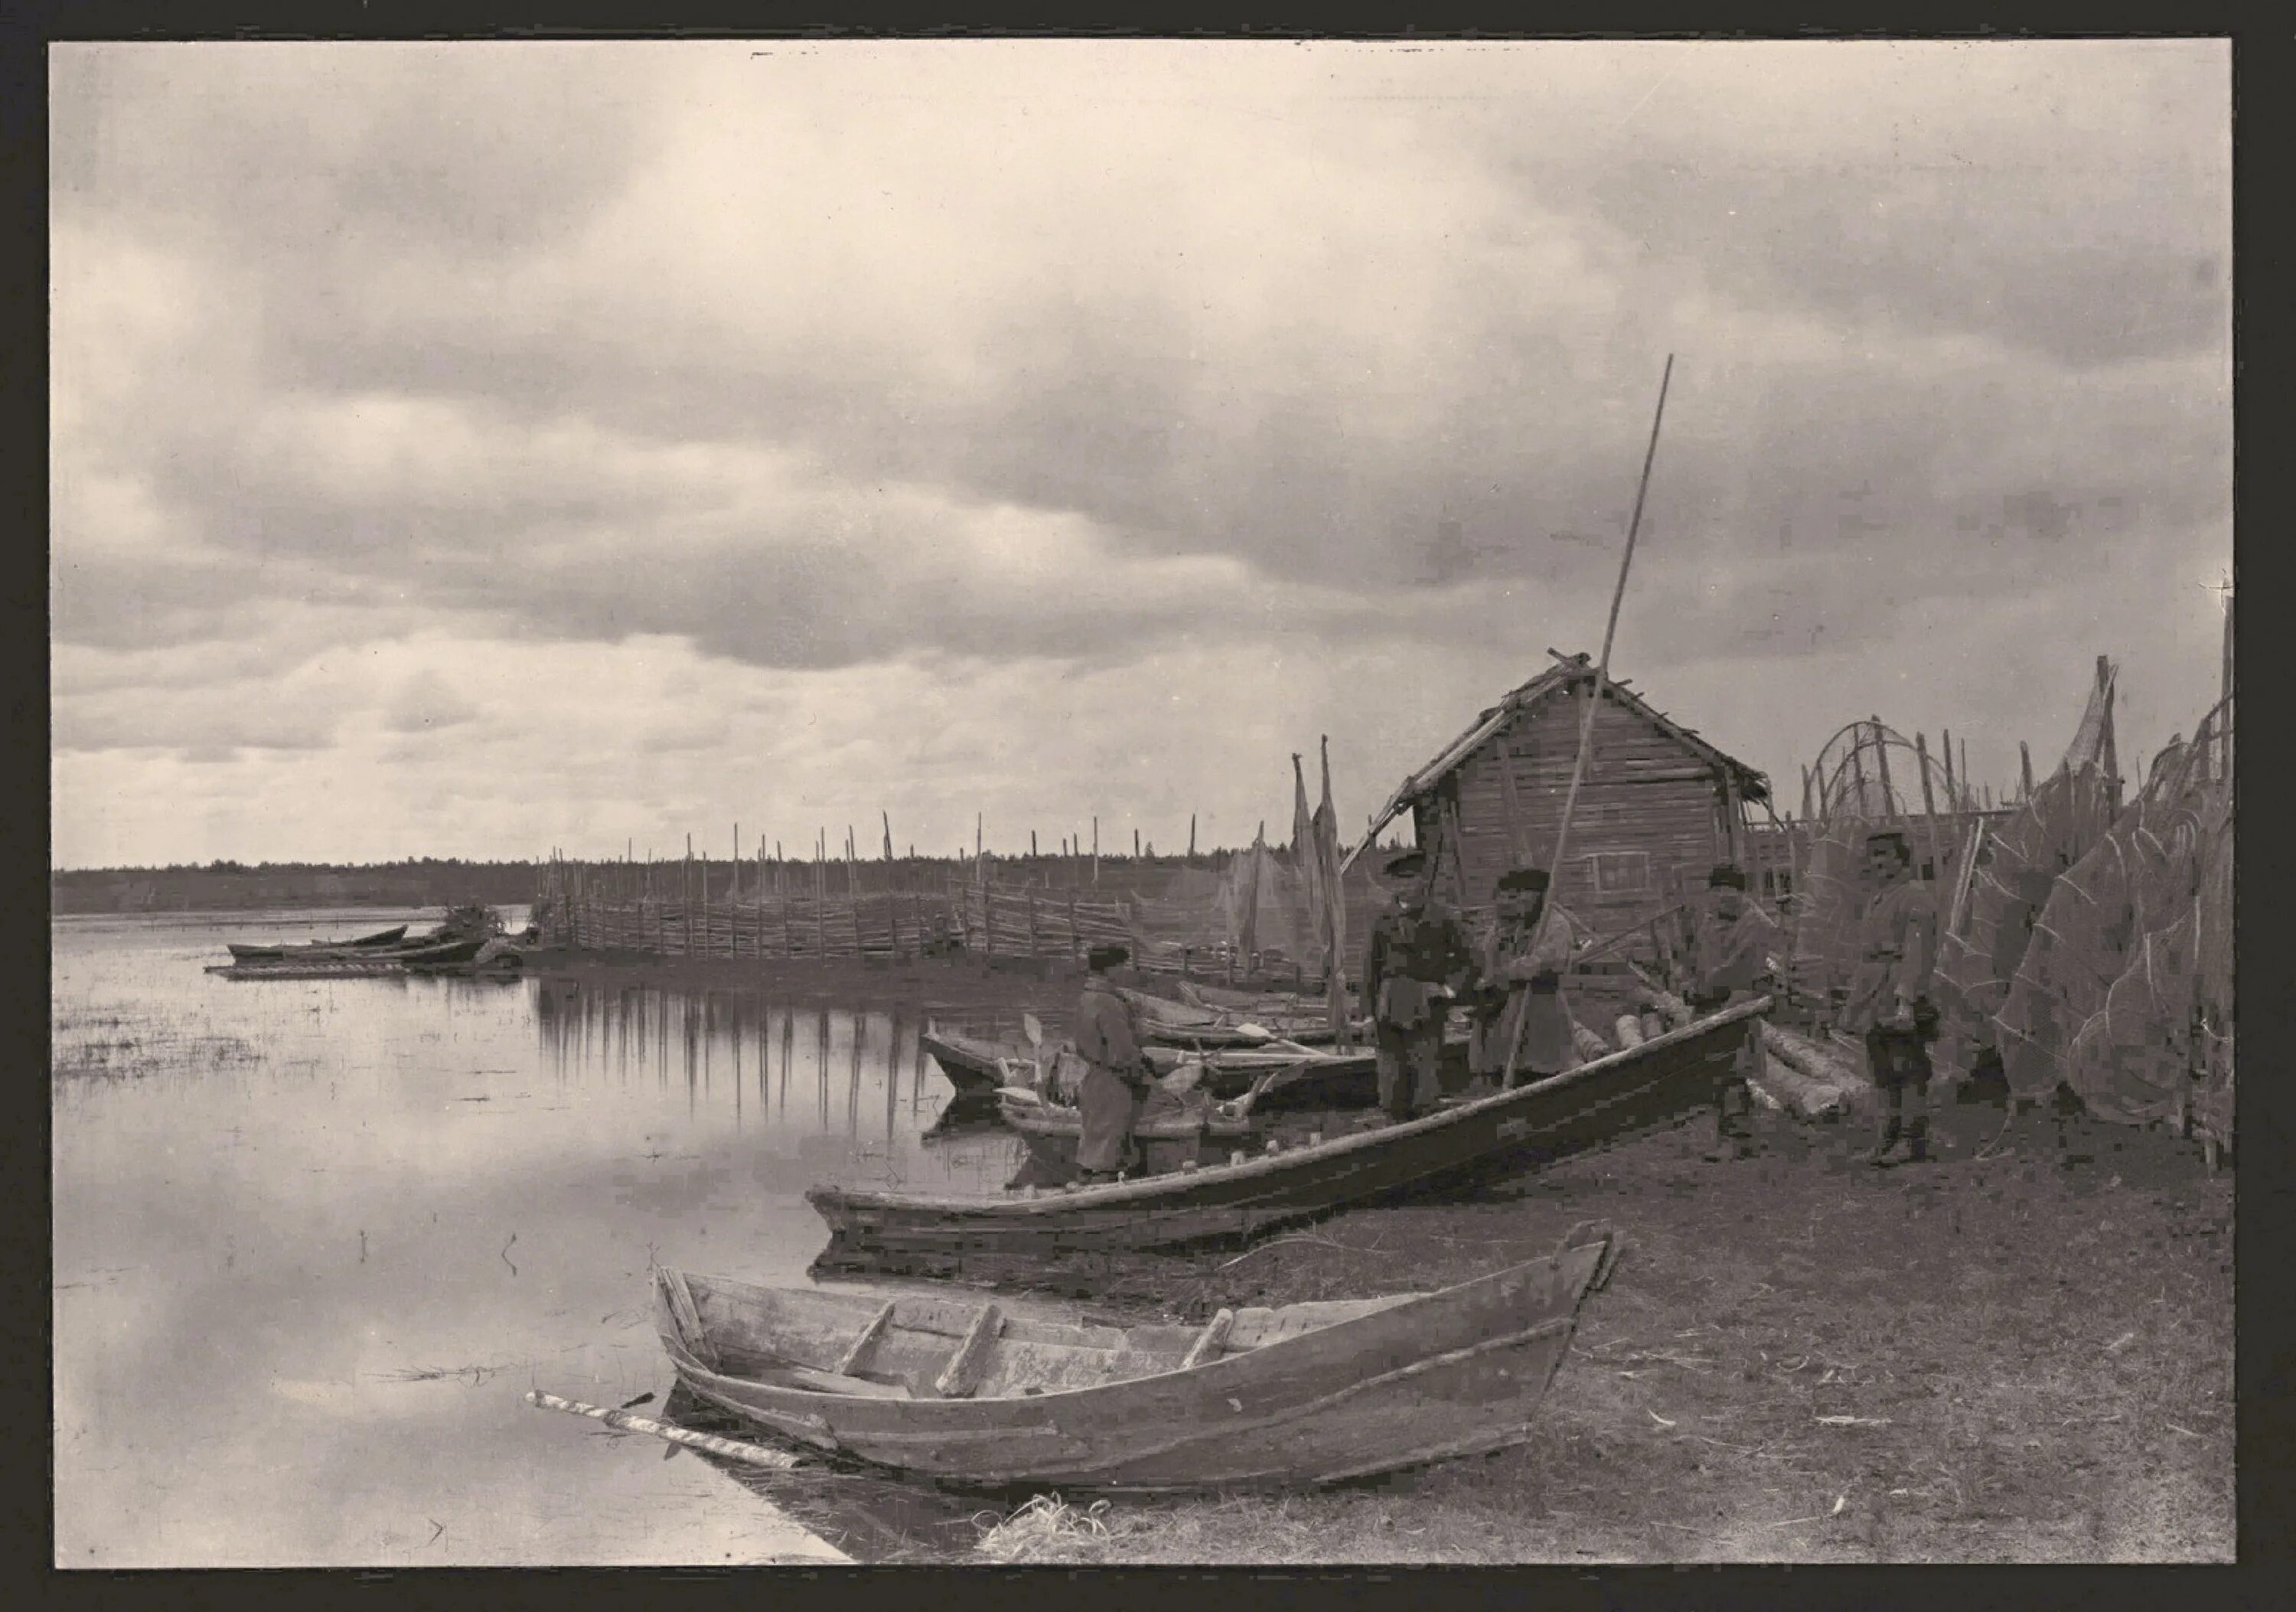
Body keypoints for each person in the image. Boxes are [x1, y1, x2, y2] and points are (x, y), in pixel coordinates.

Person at [1842, 829, 1941, 1166]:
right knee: (1882, 1070)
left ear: (1903, 858)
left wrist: (1906, 1000)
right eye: (1873, 856)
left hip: (1900, 989)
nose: (1878, 862)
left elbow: (1917, 952)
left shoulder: (1915, 898)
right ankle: (1886, 1139)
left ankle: (1913, 1142)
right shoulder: (1879, 897)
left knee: (1907, 1067)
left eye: (1886, 854)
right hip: (1875, 992)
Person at [1361, 847, 1475, 1122]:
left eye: (1410, 879)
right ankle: (1392, 1118)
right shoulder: (1383, 921)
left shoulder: (1443, 917)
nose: (1404, 886)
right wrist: (1366, 1014)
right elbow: (1370, 969)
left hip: (1426, 1001)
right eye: (1398, 881)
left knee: (1425, 1064)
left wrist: (1448, 990)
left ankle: (1427, 1120)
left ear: (1423, 881)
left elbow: (1470, 959)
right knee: (1390, 1067)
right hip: (1388, 1001)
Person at [1684, 862, 1778, 1160]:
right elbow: (1697, 959)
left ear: (1741, 893)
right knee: (1715, 1071)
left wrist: (1702, 989)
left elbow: (1737, 969)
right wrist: (1688, 982)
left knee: (1734, 1069)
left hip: (1737, 1001)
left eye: (1730, 891)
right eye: (1718, 891)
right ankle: (1733, 1134)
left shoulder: (1756, 924)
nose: (1723, 897)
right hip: (1708, 1003)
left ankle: (1739, 1138)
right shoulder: (1709, 921)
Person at [1469, 866, 1582, 1090]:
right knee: (1512, 1066)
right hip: (1512, 1008)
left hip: (1543, 1005)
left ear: (1541, 895)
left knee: (1545, 1067)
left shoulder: (1555, 924)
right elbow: (1491, 958)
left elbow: (1547, 962)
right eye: (1516, 894)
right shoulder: (1516, 925)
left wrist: (1508, 972)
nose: (1518, 899)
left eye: (1525, 893)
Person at [1072, 944, 1153, 1181]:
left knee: (1093, 1145)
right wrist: (1143, 1076)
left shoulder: (1085, 998)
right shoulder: (1109, 1003)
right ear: (1110, 969)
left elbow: (1080, 1043)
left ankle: (1088, 1187)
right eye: (1122, 966)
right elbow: (1124, 1051)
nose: (1124, 971)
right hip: (1113, 1082)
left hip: (1093, 1078)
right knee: (1110, 1150)